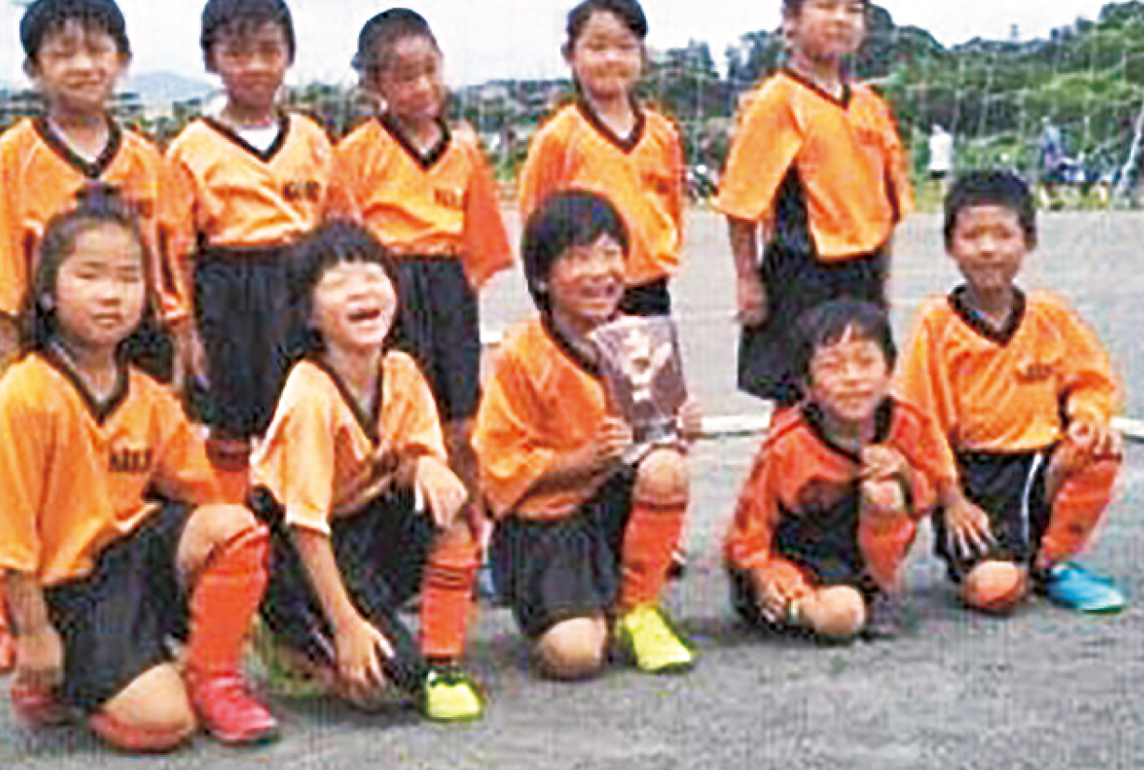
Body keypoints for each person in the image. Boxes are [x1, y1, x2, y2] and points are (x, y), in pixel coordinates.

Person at [0, 199, 277, 751]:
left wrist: (239, 599)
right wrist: (34, 632)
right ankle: (57, 682)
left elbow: (203, 499)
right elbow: (4, 534)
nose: (112, 294)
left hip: (130, 560)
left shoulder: (148, 396)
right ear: (48, 291)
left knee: (234, 526)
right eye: (90, 275)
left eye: (129, 278)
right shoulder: (25, 396)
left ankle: (213, 680)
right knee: (163, 726)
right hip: (64, 589)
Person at [0, 0, 191, 678]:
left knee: (137, 476)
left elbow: (168, 263)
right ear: (34, 69)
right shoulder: (16, 153)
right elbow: (3, 270)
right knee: (13, 471)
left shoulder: (147, 158)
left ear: (122, 59)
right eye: (62, 52)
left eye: (97, 49)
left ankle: (135, 609)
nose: (83, 64)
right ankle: (5, 603)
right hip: (51, 343)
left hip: (137, 340)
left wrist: (178, 353)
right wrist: (12, 371)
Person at [248, 219, 485, 722]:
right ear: (308, 313)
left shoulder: (401, 371)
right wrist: (347, 623)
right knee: (379, 691)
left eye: (374, 276)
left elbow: (415, 460)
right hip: (301, 545)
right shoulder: (309, 393)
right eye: (337, 282)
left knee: (453, 508)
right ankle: (290, 627)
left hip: (365, 521)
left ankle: (442, 661)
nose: (362, 290)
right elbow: (305, 525)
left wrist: (429, 465)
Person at [473, 190, 699, 679]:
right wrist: (583, 458)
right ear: (542, 277)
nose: (600, 272)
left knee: (666, 468)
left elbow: (657, 439)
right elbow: (498, 473)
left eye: (610, 254)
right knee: (574, 657)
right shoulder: (522, 354)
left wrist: (681, 428)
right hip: (548, 523)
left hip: (613, 504)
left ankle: (639, 609)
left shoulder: (639, 338)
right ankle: (570, 611)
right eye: (578, 258)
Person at [898, 171, 1126, 615]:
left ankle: (1051, 560)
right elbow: (921, 420)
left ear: (1029, 242)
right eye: (972, 236)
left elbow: (1089, 381)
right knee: (996, 592)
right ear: (950, 246)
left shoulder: (1049, 316)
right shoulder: (938, 324)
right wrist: (953, 500)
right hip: (973, 478)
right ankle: (999, 564)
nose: (988, 248)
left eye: (1003, 234)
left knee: (1098, 446)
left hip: (1040, 467)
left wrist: (1088, 415)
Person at [716, 0, 913, 407]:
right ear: (790, 19)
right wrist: (748, 282)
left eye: (853, 9)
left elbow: (885, 209)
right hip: (802, 272)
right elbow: (741, 204)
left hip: (861, 272)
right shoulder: (778, 102)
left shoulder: (870, 106)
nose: (841, 19)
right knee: (801, 397)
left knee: (860, 394)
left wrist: (882, 284)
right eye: (826, 6)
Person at [328, 8, 511, 489]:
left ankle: (470, 528)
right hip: (387, 288)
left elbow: (481, 242)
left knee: (462, 423)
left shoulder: (464, 152)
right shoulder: (356, 152)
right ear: (375, 85)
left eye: (431, 71)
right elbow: (341, 240)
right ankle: (401, 528)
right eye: (406, 77)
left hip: (448, 289)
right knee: (396, 419)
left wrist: (455, 295)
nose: (424, 87)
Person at [167, 0, 333, 487]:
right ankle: (234, 533)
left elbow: (335, 230)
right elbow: (179, 252)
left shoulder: (311, 138)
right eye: (237, 52)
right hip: (227, 291)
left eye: (269, 51)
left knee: (300, 412)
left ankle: (299, 524)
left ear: (289, 54)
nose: (256, 65)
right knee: (229, 423)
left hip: (297, 285)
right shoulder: (190, 148)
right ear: (211, 59)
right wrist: (186, 332)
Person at [723, 299, 954, 640]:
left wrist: (905, 472)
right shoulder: (789, 445)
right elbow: (750, 525)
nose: (852, 378)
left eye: (866, 362)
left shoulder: (907, 424)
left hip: (850, 557)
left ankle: (878, 588)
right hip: (793, 558)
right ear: (807, 385)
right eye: (832, 366)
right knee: (842, 617)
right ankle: (786, 608)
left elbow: (928, 496)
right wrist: (761, 573)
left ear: (889, 370)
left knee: (885, 492)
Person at [518, 0, 685, 317]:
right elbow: (535, 220)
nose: (612, 59)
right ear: (570, 55)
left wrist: (661, 256)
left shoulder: (662, 133)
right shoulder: (560, 136)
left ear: (643, 55)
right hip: (583, 294)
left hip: (648, 289)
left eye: (625, 47)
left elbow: (673, 207)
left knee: (646, 368)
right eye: (597, 47)